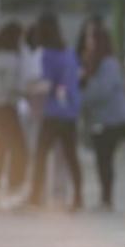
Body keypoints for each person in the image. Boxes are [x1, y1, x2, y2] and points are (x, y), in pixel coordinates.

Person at [26, 12, 83, 211]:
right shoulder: (69, 53)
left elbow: (47, 84)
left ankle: (35, 197)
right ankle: (78, 197)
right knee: (71, 157)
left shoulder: (47, 54)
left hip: (53, 112)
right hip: (71, 111)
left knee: (41, 155)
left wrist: (28, 89)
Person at [78, 16, 125, 211]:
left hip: (111, 119)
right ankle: (105, 198)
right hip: (103, 119)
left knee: (105, 159)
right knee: (102, 159)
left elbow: (102, 91)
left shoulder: (108, 64)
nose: (87, 43)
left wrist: (84, 88)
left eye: (91, 39)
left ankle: (107, 199)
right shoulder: (97, 63)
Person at [0, 21, 34, 206]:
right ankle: (13, 186)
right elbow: (13, 85)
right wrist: (27, 90)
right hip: (7, 108)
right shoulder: (12, 59)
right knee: (20, 149)